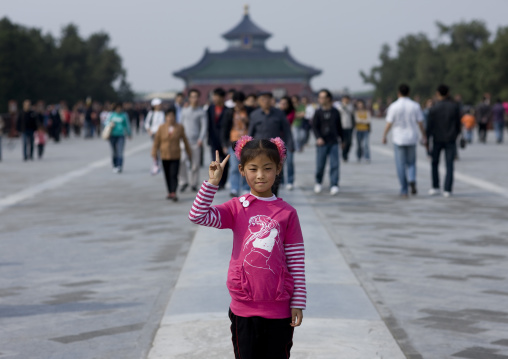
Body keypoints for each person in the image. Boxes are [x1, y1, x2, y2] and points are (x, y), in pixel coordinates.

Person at [188, 138, 306, 359]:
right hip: (243, 308)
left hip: (279, 309)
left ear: (278, 168)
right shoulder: (236, 208)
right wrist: (212, 183)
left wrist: (298, 301)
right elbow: (197, 215)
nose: (260, 175)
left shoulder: (287, 213)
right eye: (253, 169)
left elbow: (296, 261)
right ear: (241, 170)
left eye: (267, 168)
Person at [382, 84, 426, 197]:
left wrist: (384, 135)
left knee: (400, 165)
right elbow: (420, 123)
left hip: (399, 138)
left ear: (398, 93)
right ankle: (412, 179)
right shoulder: (415, 106)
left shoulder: (394, 106)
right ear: (409, 93)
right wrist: (424, 135)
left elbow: (389, 123)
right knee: (411, 162)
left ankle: (404, 189)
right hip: (412, 137)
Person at [248, 91, 294, 196]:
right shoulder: (254, 115)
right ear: (259, 101)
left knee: (276, 175)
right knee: (260, 175)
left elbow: (287, 130)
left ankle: (274, 196)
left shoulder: (279, 113)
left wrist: (290, 145)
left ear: (272, 100)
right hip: (259, 151)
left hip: (275, 151)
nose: (266, 101)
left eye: (268, 98)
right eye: (263, 99)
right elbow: (250, 133)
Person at [426, 85, 461, 197]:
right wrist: (456, 135)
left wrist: (427, 139)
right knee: (449, 164)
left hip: (437, 139)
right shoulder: (454, 107)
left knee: (434, 163)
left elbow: (429, 126)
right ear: (448, 93)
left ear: (437, 93)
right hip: (450, 139)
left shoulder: (434, 108)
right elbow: (458, 125)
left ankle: (435, 186)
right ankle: (448, 189)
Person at [152, 107, 192, 201]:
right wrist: (154, 152)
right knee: (167, 174)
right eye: (168, 116)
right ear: (166, 117)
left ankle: (174, 192)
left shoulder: (179, 127)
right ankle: (169, 192)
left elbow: (185, 140)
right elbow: (157, 141)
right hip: (164, 154)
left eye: (172, 116)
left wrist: (188, 151)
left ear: (175, 117)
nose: (170, 118)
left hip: (175, 154)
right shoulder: (161, 127)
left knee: (174, 174)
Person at [221, 91, 253, 197]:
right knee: (234, 166)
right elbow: (224, 128)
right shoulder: (229, 112)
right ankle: (234, 188)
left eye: (240, 102)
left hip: (247, 142)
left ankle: (245, 187)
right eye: (236, 102)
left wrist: (247, 120)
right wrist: (224, 144)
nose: (238, 104)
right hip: (233, 142)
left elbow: (253, 125)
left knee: (247, 166)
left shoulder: (249, 111)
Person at [312, 89, 343, 195]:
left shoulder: (335, 112)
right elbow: (314, 127)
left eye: (322, 97)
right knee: (320, 165)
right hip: (322, 143)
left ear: (328, 98)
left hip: (333, 141)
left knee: (334, 164)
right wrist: (318, 138)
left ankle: (334, 184)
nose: (320, 99)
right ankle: (318, 182)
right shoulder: (317, 112)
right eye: (319, 97)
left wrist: (343, 140)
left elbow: (340, 127)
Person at [179, 89, 208, 192]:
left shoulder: (201, 112)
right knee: (182, 161)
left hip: (196, 142)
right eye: (192, 96)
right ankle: (183, 182)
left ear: (199, 98)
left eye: (196, 96)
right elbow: (181, 125)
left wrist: (201, 138)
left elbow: (204, 126)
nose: (194, 99)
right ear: (189, 98)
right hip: (185, 141)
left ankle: (194, 183)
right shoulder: (185, 111)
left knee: (195, 165)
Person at [207, 88, 229, 189]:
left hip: (224, 140)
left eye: (217, 96)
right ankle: (216, 180)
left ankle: (223, 182)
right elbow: (208, 124)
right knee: (215, 161)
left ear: (222, 98)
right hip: (213, 139)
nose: (214, 98)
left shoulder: (228, 110)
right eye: (214, 96)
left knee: (224, 162)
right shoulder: (210, 109)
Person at [104, 103, 132, 173]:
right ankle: (114, 165)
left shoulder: (124, 115)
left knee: (120, 151)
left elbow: (127, 124)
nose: (119, 109)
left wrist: (129, 133)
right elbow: (105, 122)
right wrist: (110, 124)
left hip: (121, 135)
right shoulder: (111, 115)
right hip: (112, 135)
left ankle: (119, 166)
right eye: (117, 108)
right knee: (114, 152)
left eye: (120, 108)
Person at [279, 96, 297, 191]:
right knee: (280, 162)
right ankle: (281, 181)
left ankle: (290, 181)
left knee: (289, 162)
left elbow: (287, 122)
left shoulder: (291, 113)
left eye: (285, 103)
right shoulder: (277, 113)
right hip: (278, 140)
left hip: (288, 139)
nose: (282, 105)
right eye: (281, 103)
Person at [145, 98, 165, 175]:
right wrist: (149, 131)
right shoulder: (151, 113)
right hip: (154, 134)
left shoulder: (163, 113)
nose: (159, 106)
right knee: (155, 149)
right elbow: (147, 123)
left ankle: (160, 163)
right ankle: (155, 163)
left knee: (162, 149)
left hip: (162, 134)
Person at [334, 95, 355, 162]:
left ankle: (346, 153)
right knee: (343, 142)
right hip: (342, 127)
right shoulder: (339, 107)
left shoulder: (351, 106)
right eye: (344, 99)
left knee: (349, 142)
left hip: (349, 126)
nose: (345, 101)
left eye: (347, 99)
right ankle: (344, 155)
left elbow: (352, 113)